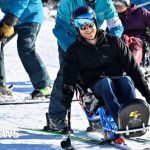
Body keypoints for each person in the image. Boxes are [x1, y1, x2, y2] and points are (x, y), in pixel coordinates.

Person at [61, 6, 150, 126]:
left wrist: (147, 93)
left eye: (90, 25)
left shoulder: (114, 42)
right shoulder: (74, 50)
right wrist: (67, 94)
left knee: (127, 80)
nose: (88, 30)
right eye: (82, 27)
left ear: (95, 23)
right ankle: (119, 120)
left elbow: (133, 69)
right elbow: (69, 75)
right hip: (93, 90)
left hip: (116, 81)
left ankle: (134, 118)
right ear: (77, 28)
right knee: (105, 83)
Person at [48, 0, 124, 131]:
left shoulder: (105, 3)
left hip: (93, 39)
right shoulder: (68, 2)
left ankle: (98, 115)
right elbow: (59, 28)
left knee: (100, 75)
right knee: (67, 75)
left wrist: (108, 44)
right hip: (70, 40)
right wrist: (74, 49)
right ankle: (56, 117)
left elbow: (116, 26)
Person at [0, 0, 52, 98]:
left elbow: (21, 1)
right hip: (12, 16)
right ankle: (1, 87)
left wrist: (10, 21)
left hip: (30, 16)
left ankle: (44, 87)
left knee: (25, 48)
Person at [113, 0, 150, 64]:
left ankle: (132, 65)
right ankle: (119, 65)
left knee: (135, 41)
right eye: (114, 4)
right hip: (124, 39)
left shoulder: (140, 12)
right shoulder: (114, 17)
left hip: (141, 38)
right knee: (124, 40)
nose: (117, 6)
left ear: (127, 3)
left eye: (119, 3)